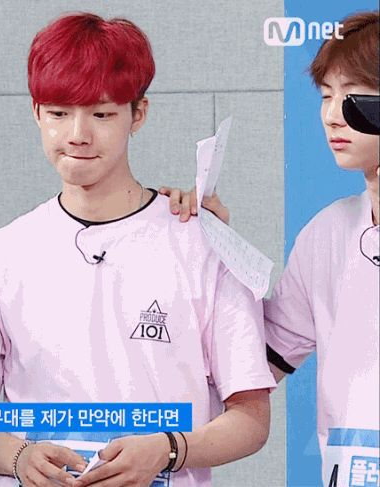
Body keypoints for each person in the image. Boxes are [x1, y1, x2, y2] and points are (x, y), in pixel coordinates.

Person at [0, 12, 276, 487]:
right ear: (36, 113)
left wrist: (169, 449)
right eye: (59, 113)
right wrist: (19, 457)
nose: (78, 134)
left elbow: (251, 418)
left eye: (102, 114)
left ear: (139, 114)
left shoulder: (204, 245)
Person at [162, 10, 379, 487]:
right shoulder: (330, 234)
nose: (331, 114)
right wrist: (208, 247)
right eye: (326, 96)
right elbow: (255, 361)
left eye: (352, 95)